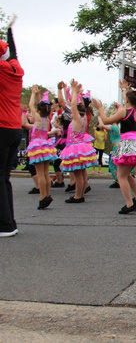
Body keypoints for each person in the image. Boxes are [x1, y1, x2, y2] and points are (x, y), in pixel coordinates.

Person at [93, 90, 136, 214]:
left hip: (128, 143)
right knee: (127, 173)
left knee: (121, 176)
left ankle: (129, 203)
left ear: (128, 100)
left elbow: (106, 120)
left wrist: (99, 108)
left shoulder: (125, 111)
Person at [58, 80, 98, 203]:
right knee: (79, 174)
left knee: (77, 174)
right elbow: (76, 104)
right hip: (79, 146)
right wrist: (77, 93)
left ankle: (78, 196)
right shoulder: (84, 117)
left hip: (75, 147)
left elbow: (73, 105)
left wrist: (74, 92)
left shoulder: (76, 118)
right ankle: (79, 195)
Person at [0, 15, 22, 238]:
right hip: (14, 128)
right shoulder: (15, 69)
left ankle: (5, 224)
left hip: (2, 127)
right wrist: (9, 33)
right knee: (4, 177)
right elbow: (13, 54)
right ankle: (9, 222)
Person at [25, 86, 57, 209]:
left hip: (37, 146)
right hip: (45, 145)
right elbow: (40, 106)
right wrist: (39, 95)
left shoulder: (37, 118)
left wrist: (33, 94)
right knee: (45, 173)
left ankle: (43, 197)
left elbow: (31, 105)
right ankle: (47, 194)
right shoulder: (47, 119)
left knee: (40, 174)